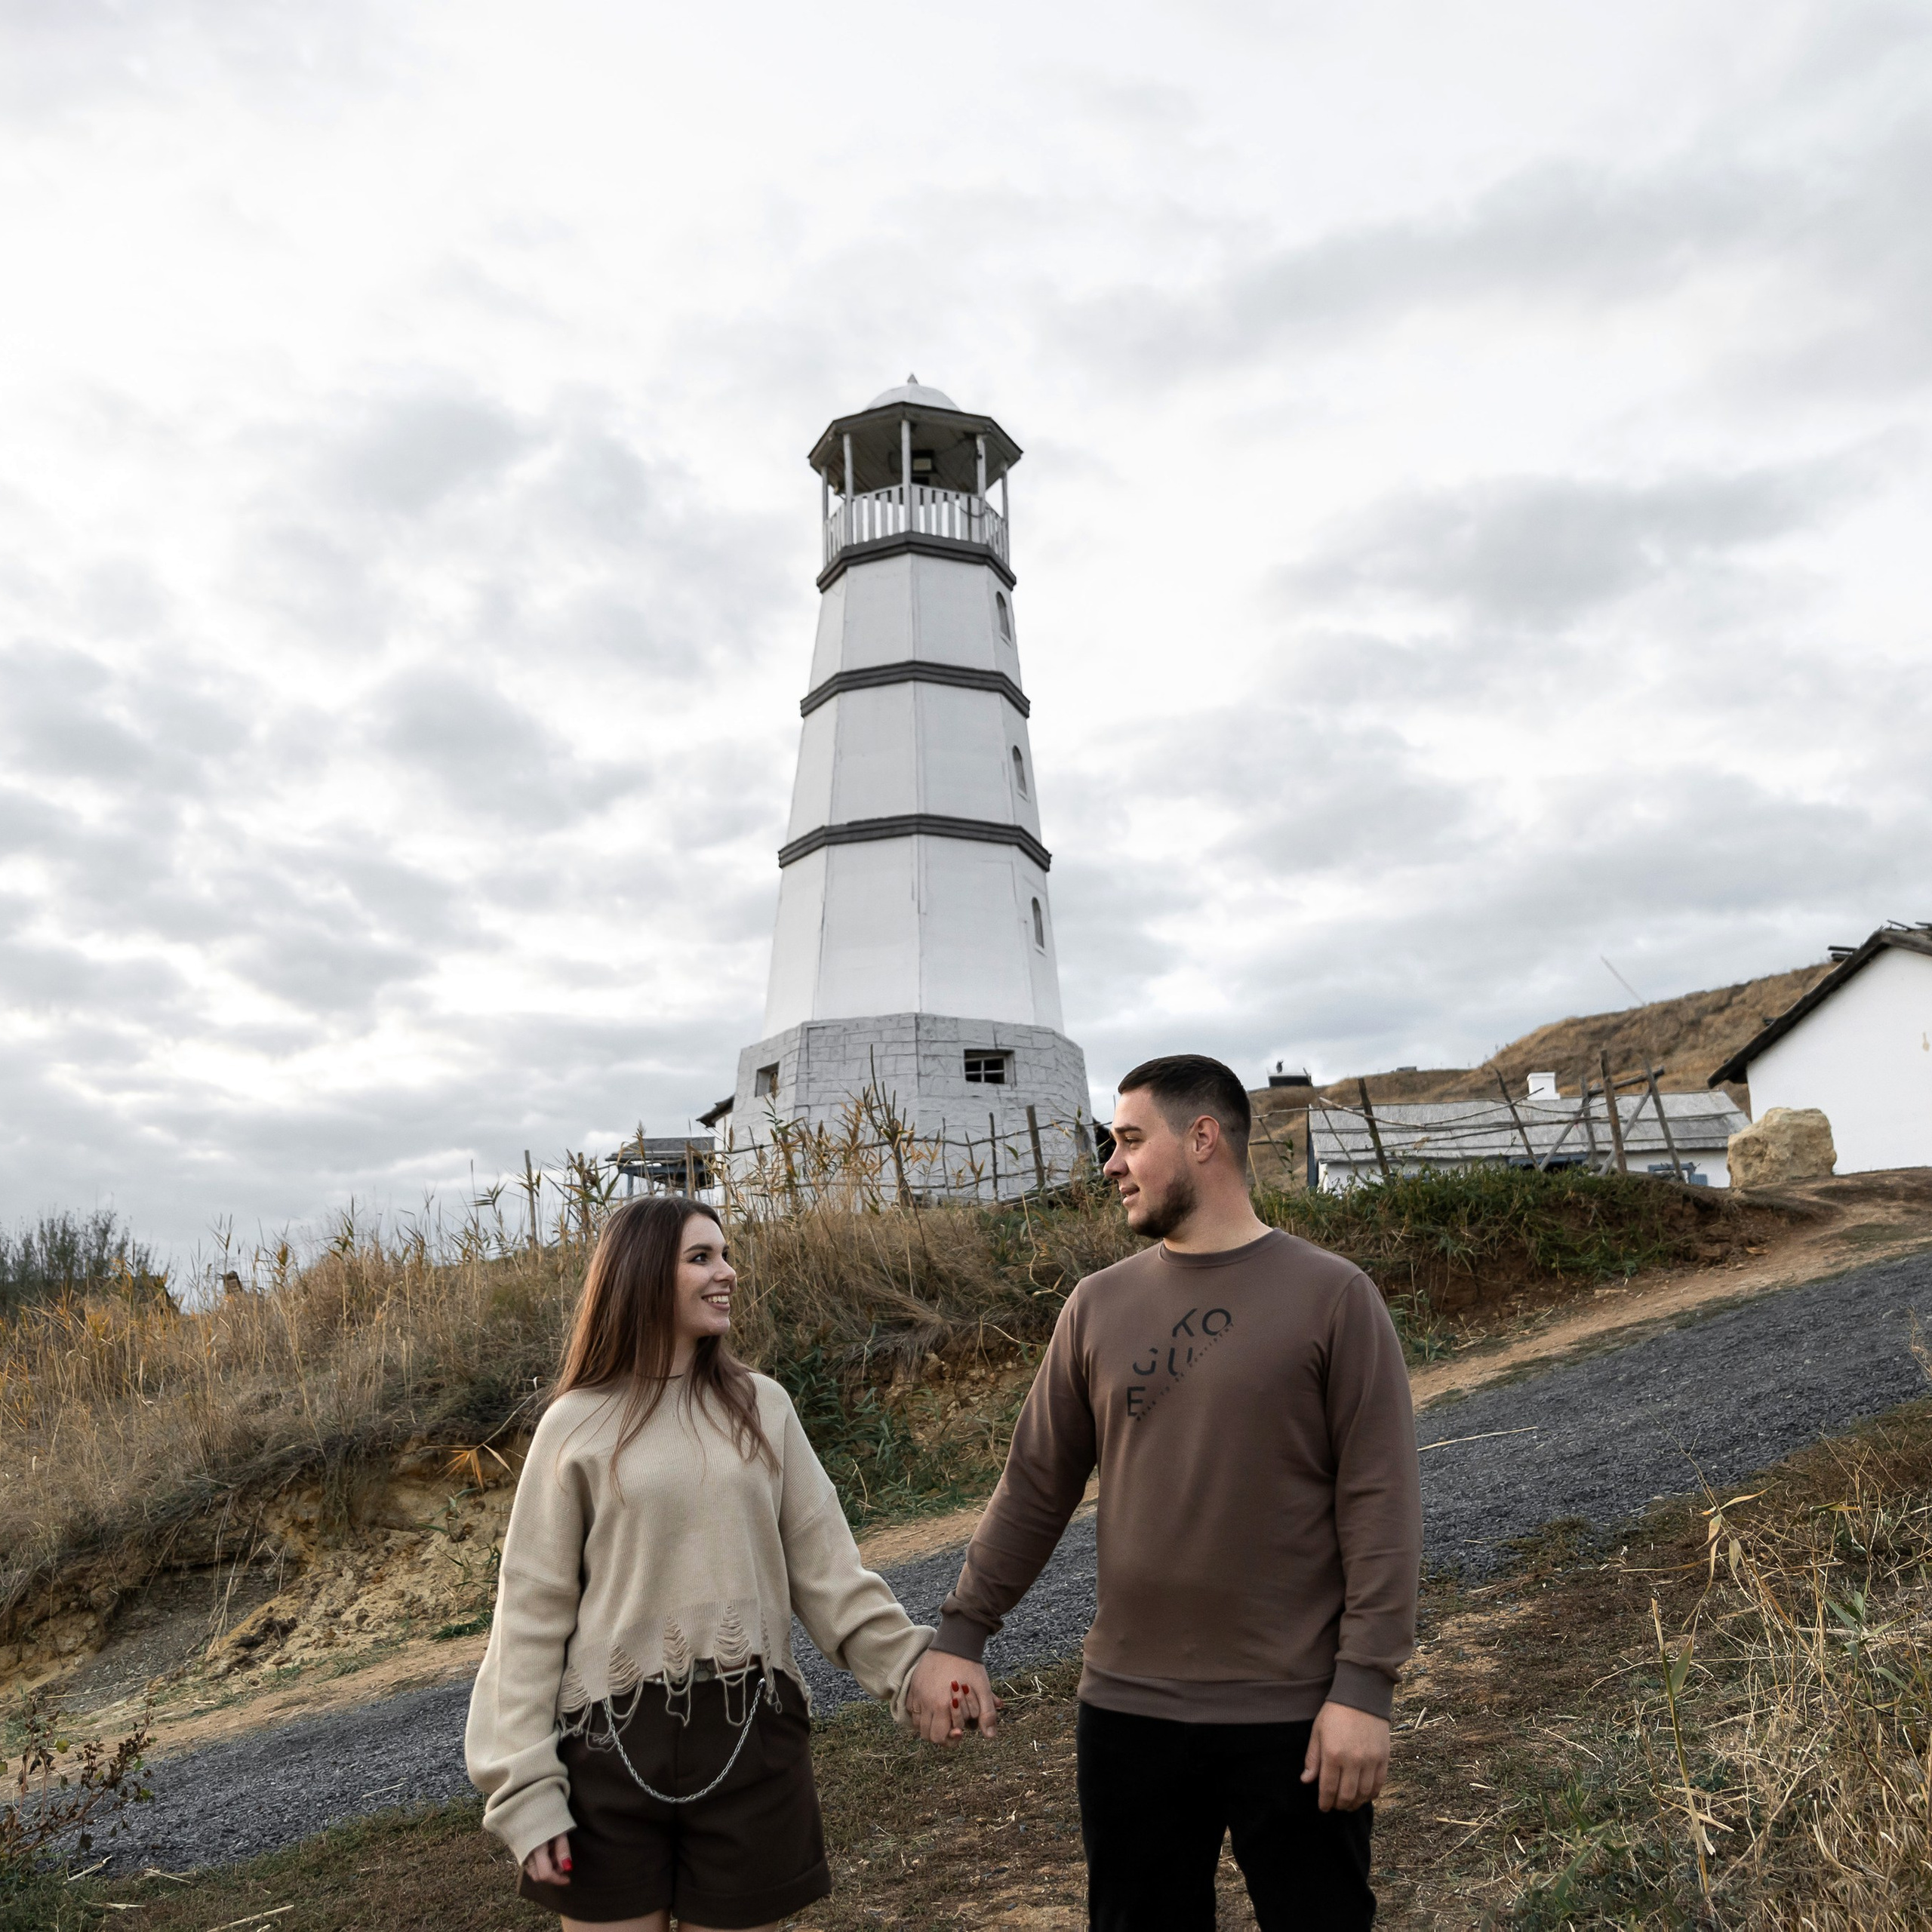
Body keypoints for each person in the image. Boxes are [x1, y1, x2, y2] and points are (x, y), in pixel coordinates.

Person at [903, 1055, 1423, 1930]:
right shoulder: (1096, 1306)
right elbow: (1035, 1483)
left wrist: (1364, 1688)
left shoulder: (1334, 1297)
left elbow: (1380, 1502)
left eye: (1130, 1139)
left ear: (1204, 1139)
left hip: (1294, 1714)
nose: (1110, 1163)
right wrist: (961, 1633)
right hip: (1128, 1713)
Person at [467, 1195, 961, 1932]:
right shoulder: (575, 1423)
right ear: (641, 1275)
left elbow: (828, 1572)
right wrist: (524, 1789)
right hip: (607, 1756)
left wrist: (911, 1669)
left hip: (751, 1743)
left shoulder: (763, 1406)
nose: (726, 1272)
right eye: (701, 1257)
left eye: (725, 1255)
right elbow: (530, 1617)